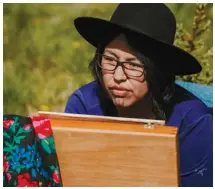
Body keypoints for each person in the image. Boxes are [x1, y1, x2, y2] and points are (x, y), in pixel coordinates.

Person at [64, 3, 213, 187]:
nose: (118, 77)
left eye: (133, 65)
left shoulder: (192, 123)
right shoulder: (84, 106)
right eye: (110, 60)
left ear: (157, 71)